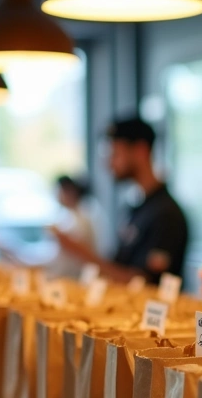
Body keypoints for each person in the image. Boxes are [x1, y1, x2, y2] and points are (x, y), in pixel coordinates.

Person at [52, 117, 189, 285]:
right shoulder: (134, 207)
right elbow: (118, 266)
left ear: (140, 151)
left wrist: (80, 251)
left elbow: (144, 282)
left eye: (115, 154)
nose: (108, 162)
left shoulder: (166, 214)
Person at [47, 175, 98, 279]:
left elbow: (82, 249)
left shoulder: (83, 217)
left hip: (75, 275)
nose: (56, 196)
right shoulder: (68, 216)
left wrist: (61, 237)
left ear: (69, 191)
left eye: (58, 191)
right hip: (64, 273)